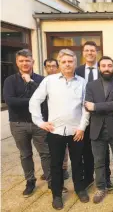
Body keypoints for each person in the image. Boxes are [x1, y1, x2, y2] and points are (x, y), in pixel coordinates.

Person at [29, 49, 90, 210]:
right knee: (55, 165)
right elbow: (35, 101)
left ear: (75, 63)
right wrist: (40, 122)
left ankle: (80, 189)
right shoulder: (49, 81)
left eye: (70, 62)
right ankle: (56, 194)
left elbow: (86, 108)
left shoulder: (82, 82)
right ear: (59, 64)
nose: (67, 64)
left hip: (76, 131)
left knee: (77, 163)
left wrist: (82, 127)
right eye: (64, 62)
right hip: (55, 131)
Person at [3, 49, 51, 198]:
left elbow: (46, 100)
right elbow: (10, 101)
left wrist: (31, 84)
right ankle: (30, 181)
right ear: (17, 62)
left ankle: (52, 181)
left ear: (32, 62)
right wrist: (34, 101)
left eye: (27, 60)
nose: (25, 63)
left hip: (39, 123)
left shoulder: (41, 80)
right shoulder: (10, 80)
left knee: (46, 153)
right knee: (25, 154)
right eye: (21, 60)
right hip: (18, 123)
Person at [85, 56, 113, 203]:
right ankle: (101, 188)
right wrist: (112, 106)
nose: (106, 68)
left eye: (109, 66)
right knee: (98, 161)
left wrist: (97, 106)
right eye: (103, 65)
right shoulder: (91, 86)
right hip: (97, 129)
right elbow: (88, 107)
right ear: (99, 68)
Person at [75, 41, 112, 190]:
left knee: (104, 150)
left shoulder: (105, 69)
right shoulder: (77, 71)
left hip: (101, 116)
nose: (90, 53)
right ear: (83, 53)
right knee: (86, 149)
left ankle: (106, 178)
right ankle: (89, 177)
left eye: (92, 50)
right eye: (87, 50)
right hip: (82, 117)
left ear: (96, 52)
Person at [40, 58, 70, 182]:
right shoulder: (42, 82)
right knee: (46, 148)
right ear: (45, 68)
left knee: (63, 147)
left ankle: (63, 169)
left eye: (53, 66)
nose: (51, 68)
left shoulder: (63, 81)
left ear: (57, 67)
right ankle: (49, 171)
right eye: (48, 66)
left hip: (60, 121)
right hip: (45, 120)